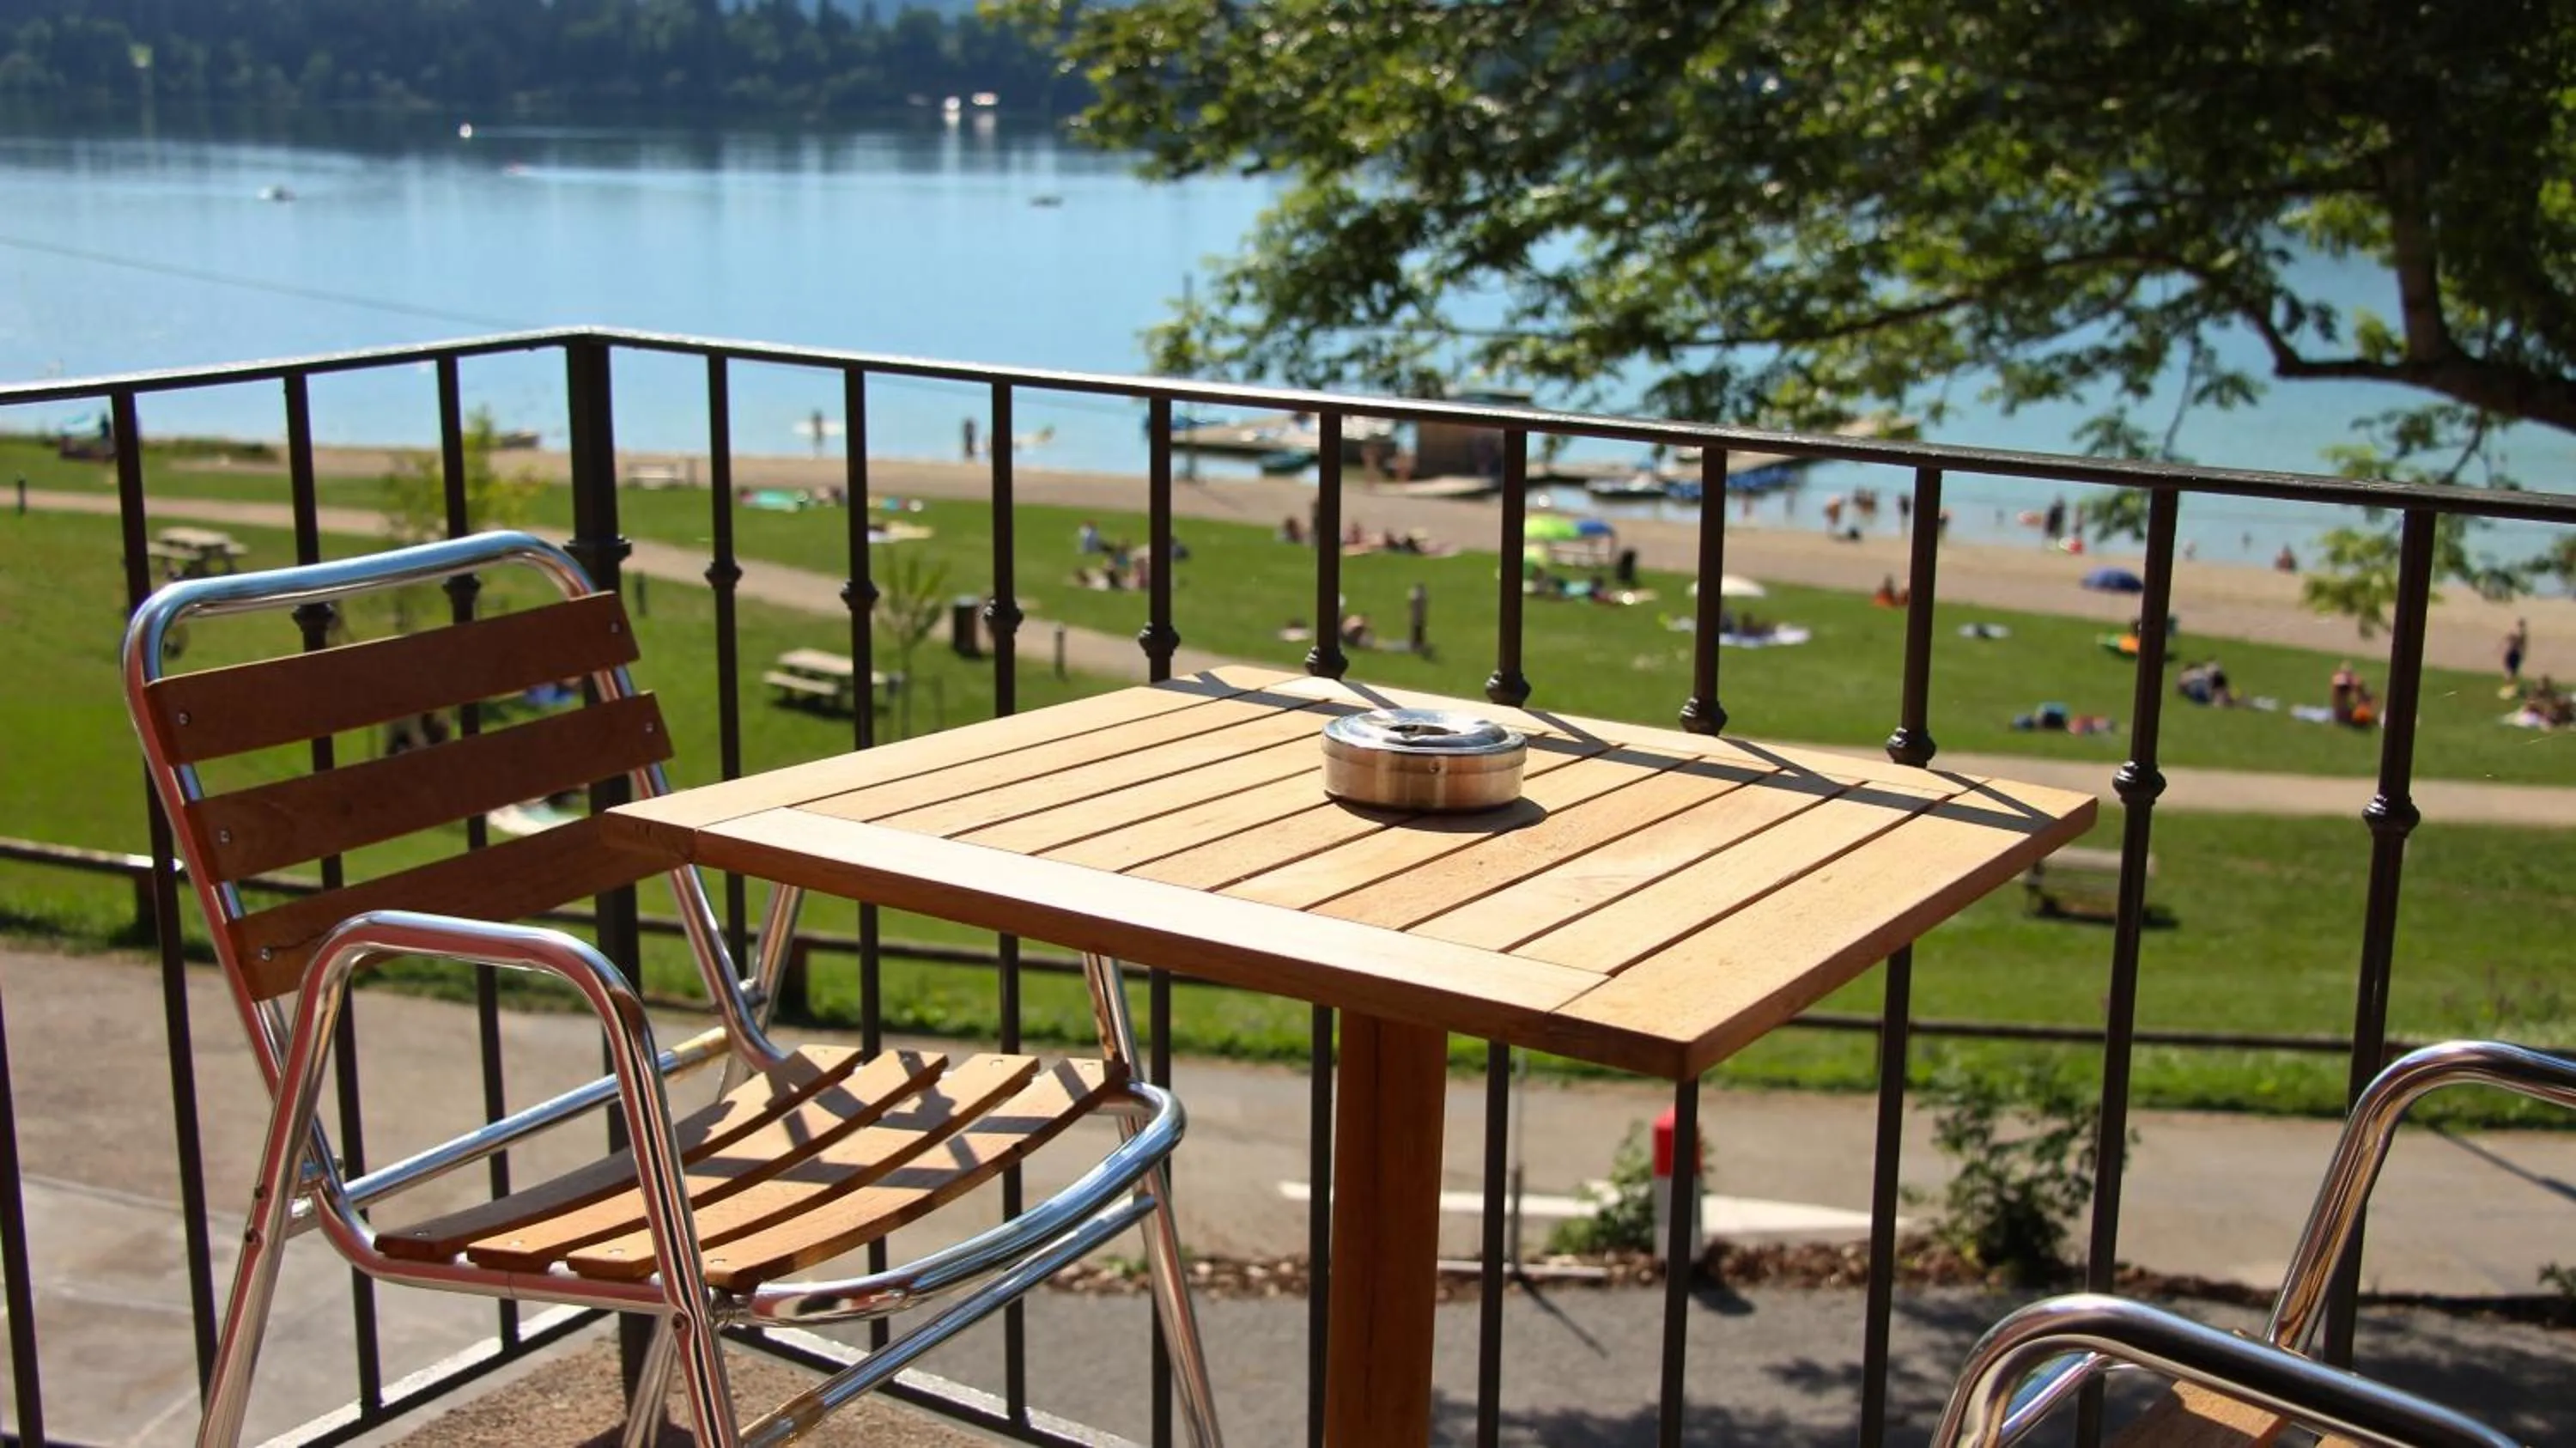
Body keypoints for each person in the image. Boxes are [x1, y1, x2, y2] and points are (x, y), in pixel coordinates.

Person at [2504, 618, 2530, 687]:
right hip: (2517, 652)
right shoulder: (2523, 634)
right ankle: (2512, 684)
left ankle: (2508, 684)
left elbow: (2507, 638)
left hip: (2511, 651)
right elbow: (2524, 645)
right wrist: (2524, 654)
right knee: (2515, 670)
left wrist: (2511, 638)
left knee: (2508, 668)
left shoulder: (2514, 632)